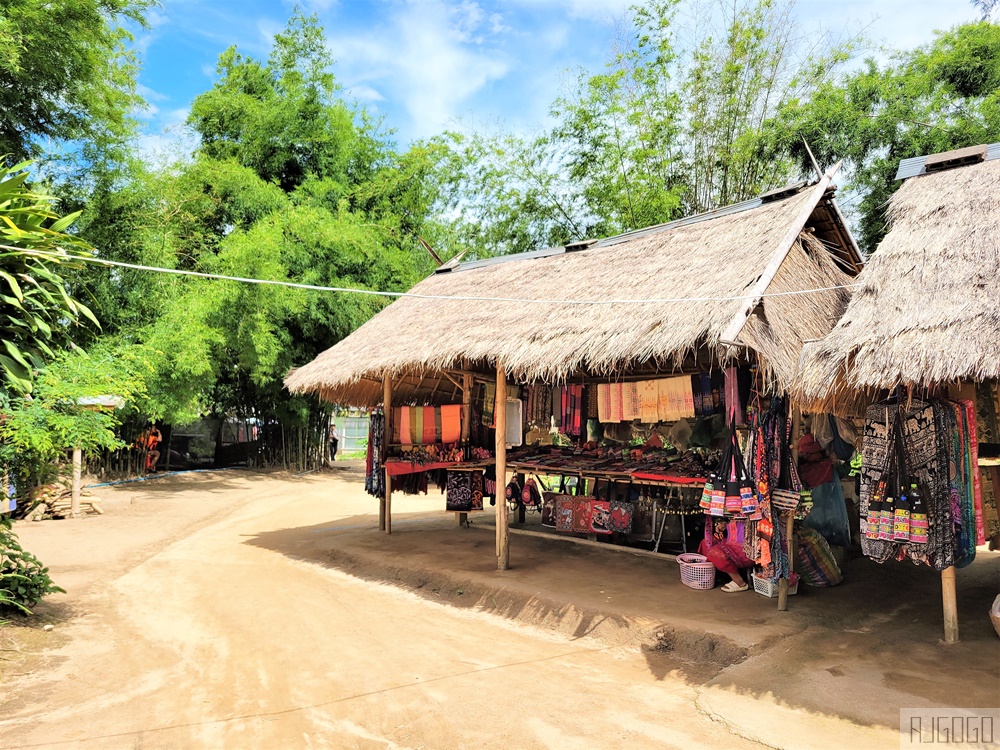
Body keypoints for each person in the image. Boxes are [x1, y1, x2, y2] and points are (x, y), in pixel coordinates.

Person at [699, 518, 753, 592]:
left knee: (714, 553)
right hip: (730, 542)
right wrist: (724, 523)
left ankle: (739, 582)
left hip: (746, 548)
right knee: (706, 543)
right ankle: (711, 575)